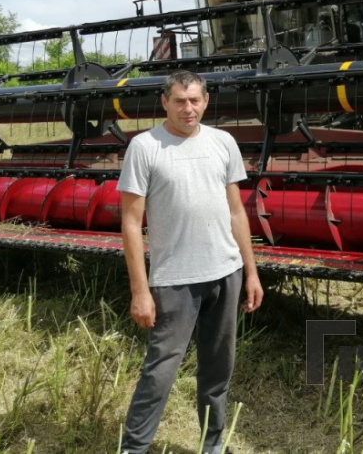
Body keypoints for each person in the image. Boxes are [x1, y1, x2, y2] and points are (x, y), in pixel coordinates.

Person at [118, 70, 264, 454]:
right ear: (164, 102)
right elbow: (131, 224)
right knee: (160, 373)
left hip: (226, 272)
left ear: (206, 101)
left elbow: (237, 212)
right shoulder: (145, 147)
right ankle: (133, 448)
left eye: (195, 100)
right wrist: (140, 292)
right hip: (174, 279)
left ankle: (211, 445)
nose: (188, 108)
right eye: (180, 101)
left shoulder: (223, 142)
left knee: (218, 371)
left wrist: (251, 273)